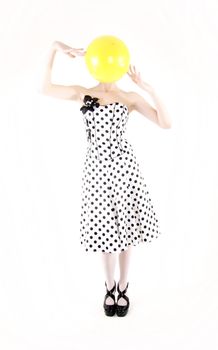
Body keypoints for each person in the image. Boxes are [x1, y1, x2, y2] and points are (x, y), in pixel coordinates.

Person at [39, 40, 172, 317]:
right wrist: (54, 48)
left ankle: (123, 286)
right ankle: (109, 285)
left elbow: (165, 122)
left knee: (127, 229)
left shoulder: (129, 98)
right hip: (96, 171)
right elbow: (45, 88)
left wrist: (147, 88)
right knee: (104, 229)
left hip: (124, 169)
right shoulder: (83, 93)